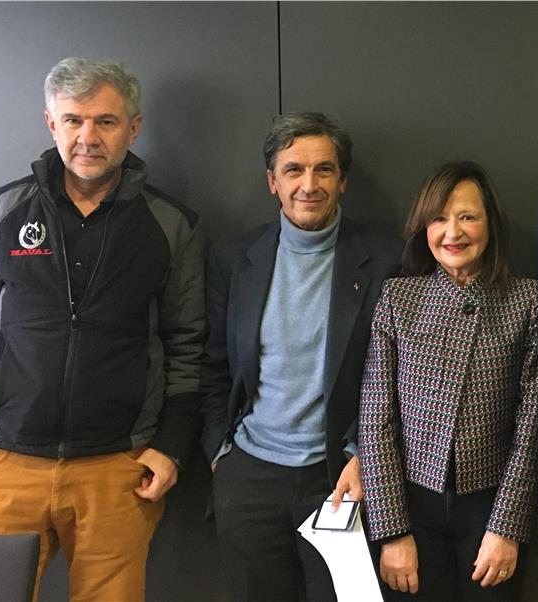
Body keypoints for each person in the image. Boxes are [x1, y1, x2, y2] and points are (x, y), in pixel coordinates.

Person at [0, 57, 204, 600]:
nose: (88, 137)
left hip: (118, 471)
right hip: (1, 463)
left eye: (106, 121)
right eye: (74, 120)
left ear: (133, 127)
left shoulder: (172, 225)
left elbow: (187, 343)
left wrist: (171, 446)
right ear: (51, 123)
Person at [200, 111, 400, 601]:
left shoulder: (386, 260)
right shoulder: (234, 258)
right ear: (273, 181)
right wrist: (222, 456)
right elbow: (213, 367)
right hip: (249, 478)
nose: (309, 185)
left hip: (340, 477)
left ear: (343, 180)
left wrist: (363, 455)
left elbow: (402, 378)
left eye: (323, 169)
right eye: (293, 170)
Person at [359, 161, 538, 601]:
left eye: (468, 217)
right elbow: (375, 419)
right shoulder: (398, 297)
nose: (453, 232)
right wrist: (392, 532)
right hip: (411, 505)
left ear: (490, 225)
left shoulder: (525, 300)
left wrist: (507, 528)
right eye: (439, 218)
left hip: (491, 507)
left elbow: (531, 426)